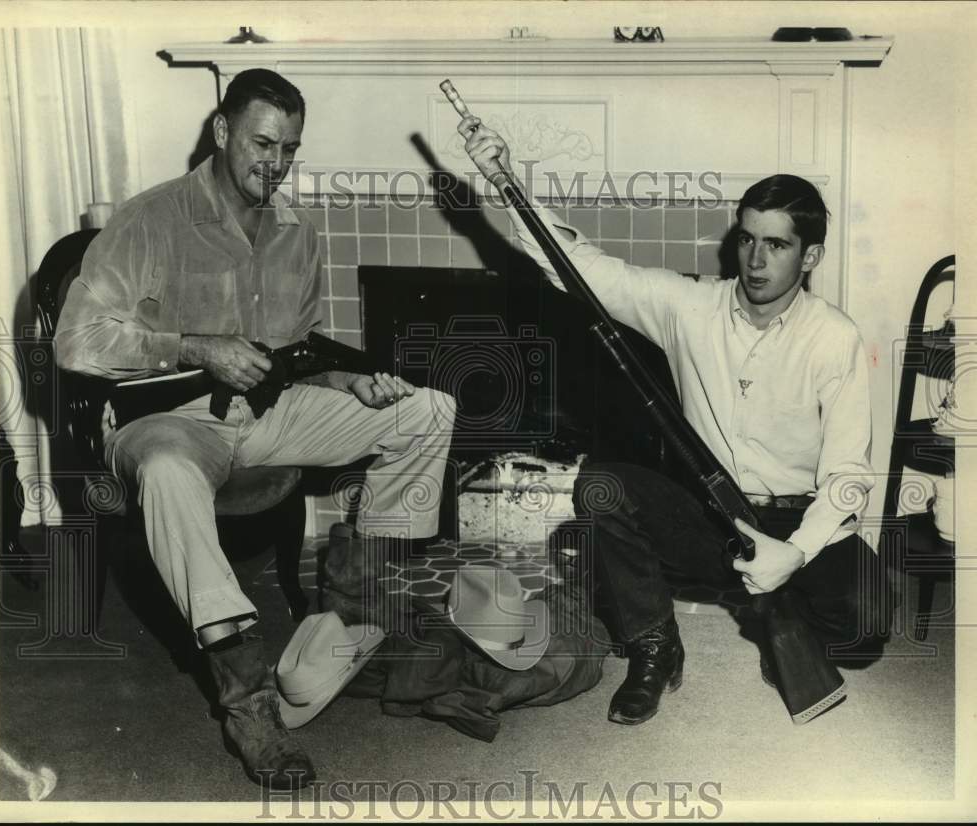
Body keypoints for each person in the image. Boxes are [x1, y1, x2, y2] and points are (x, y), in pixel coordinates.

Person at [55, 69, 456, 787]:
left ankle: (352, 616)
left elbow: (295, 355)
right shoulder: (152, 219)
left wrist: (352, 381)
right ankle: (249, 705)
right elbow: (77, 342)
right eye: (262, 142)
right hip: (167, 422)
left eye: (289, 149)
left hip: (265, 415)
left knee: (426, 410)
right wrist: (194, 346)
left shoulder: (296, 233)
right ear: (221, 131)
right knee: (172, 476)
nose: (273, 164)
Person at [459, 116, 890, 726]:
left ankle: (782, 617)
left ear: (812, 254)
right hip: (713, 517)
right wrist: (506, 182)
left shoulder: (835, 338)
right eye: (746, 240)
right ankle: (655, 645)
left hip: (798, 516)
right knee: (599, 486)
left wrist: (790, 554)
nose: (755, 260)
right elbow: (578, 266)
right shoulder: (689, 305)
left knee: (868, 615)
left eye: (777, 244)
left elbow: (848, 476)